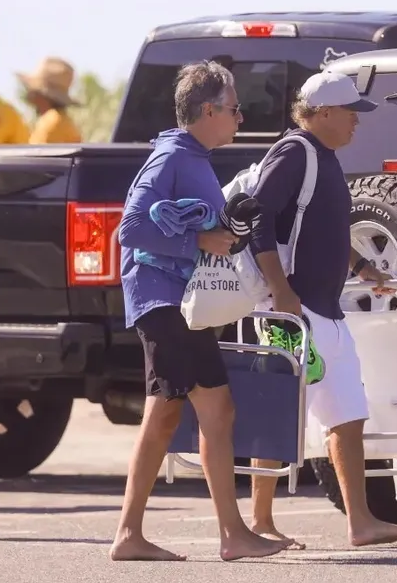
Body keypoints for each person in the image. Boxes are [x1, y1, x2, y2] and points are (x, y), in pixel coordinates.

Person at [110, 61, 289, 562]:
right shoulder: (171, 155)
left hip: (179, 305)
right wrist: (199, 237)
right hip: (164, 302)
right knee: (201, 410)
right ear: (208, 110)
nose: (239, 117)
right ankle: (223, 534)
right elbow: (130, 230)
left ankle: (154, 535)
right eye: (234, 109)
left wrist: (223, 231)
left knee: (180, 412)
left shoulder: (193, 156)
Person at [247, 71, 397, 548]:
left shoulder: (325, 157)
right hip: (291, 311)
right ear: (322, 114)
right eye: (350, 114)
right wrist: (280, 291)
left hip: (325, 310)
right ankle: (259, 521)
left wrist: (361, 266)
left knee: (347, 415)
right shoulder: (294, 152)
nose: (356, 124)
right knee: (280, 412)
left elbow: (322, 227)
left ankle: (360, 523)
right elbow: (255, 217)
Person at [17, 57, 83, 143]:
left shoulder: (51, 122)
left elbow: (36, 154)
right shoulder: (61, 120)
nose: (29, 94)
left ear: (41, 94)